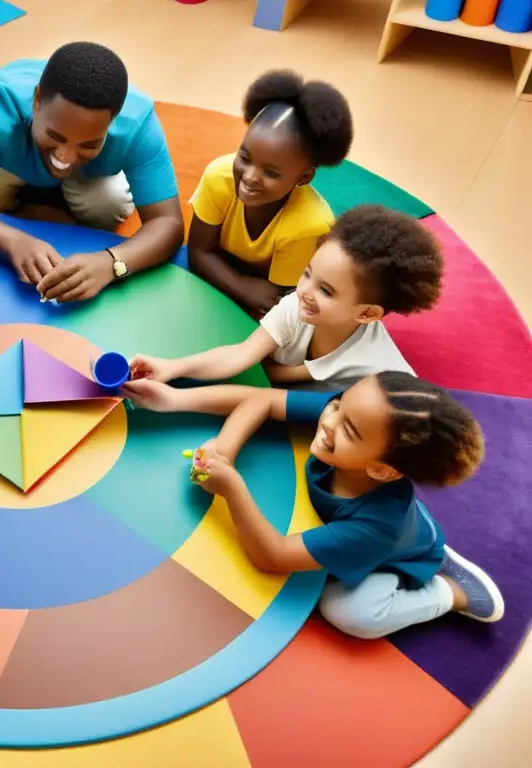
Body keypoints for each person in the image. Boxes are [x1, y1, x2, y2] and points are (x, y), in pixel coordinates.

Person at [170, 372, 503, 639]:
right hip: (395, 528)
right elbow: (264, 400)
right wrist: (224, 452)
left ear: (381, 470)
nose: (329, 419)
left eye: (348, 429)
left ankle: (450, 591)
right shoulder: (353, 418)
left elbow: (273, 556)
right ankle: (429, 542)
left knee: (348, 613)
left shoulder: (375, 526)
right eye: (338, 404)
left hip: (391, 559)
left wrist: (232, 487)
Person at [0, 42, 184, 303]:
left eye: (89, 144)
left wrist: (111, 263)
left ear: (113, 122)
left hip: (91, 178)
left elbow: (168, 222)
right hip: (13, 162)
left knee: (109, 203)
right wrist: (13, 241)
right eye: (55, 136)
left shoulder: (139, 125)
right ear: (36, 101)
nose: (65, 156)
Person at [124, 205, 441, 401]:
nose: (305, 291)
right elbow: (242, 354)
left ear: (368, 313)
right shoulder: (298, 305)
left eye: (327, 291)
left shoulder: (381, 372)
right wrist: (171, 367)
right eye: (307, 273)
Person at [189, 70, 353, 318]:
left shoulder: (311, 224)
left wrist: (234, 282)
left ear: (303, 177)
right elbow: (198, 252)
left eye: (271, 173)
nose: (250, 176)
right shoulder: (218, 177)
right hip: (226, 277)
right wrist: (242, 287)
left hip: (266, 293)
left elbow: (272, 295)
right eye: (244, 157)